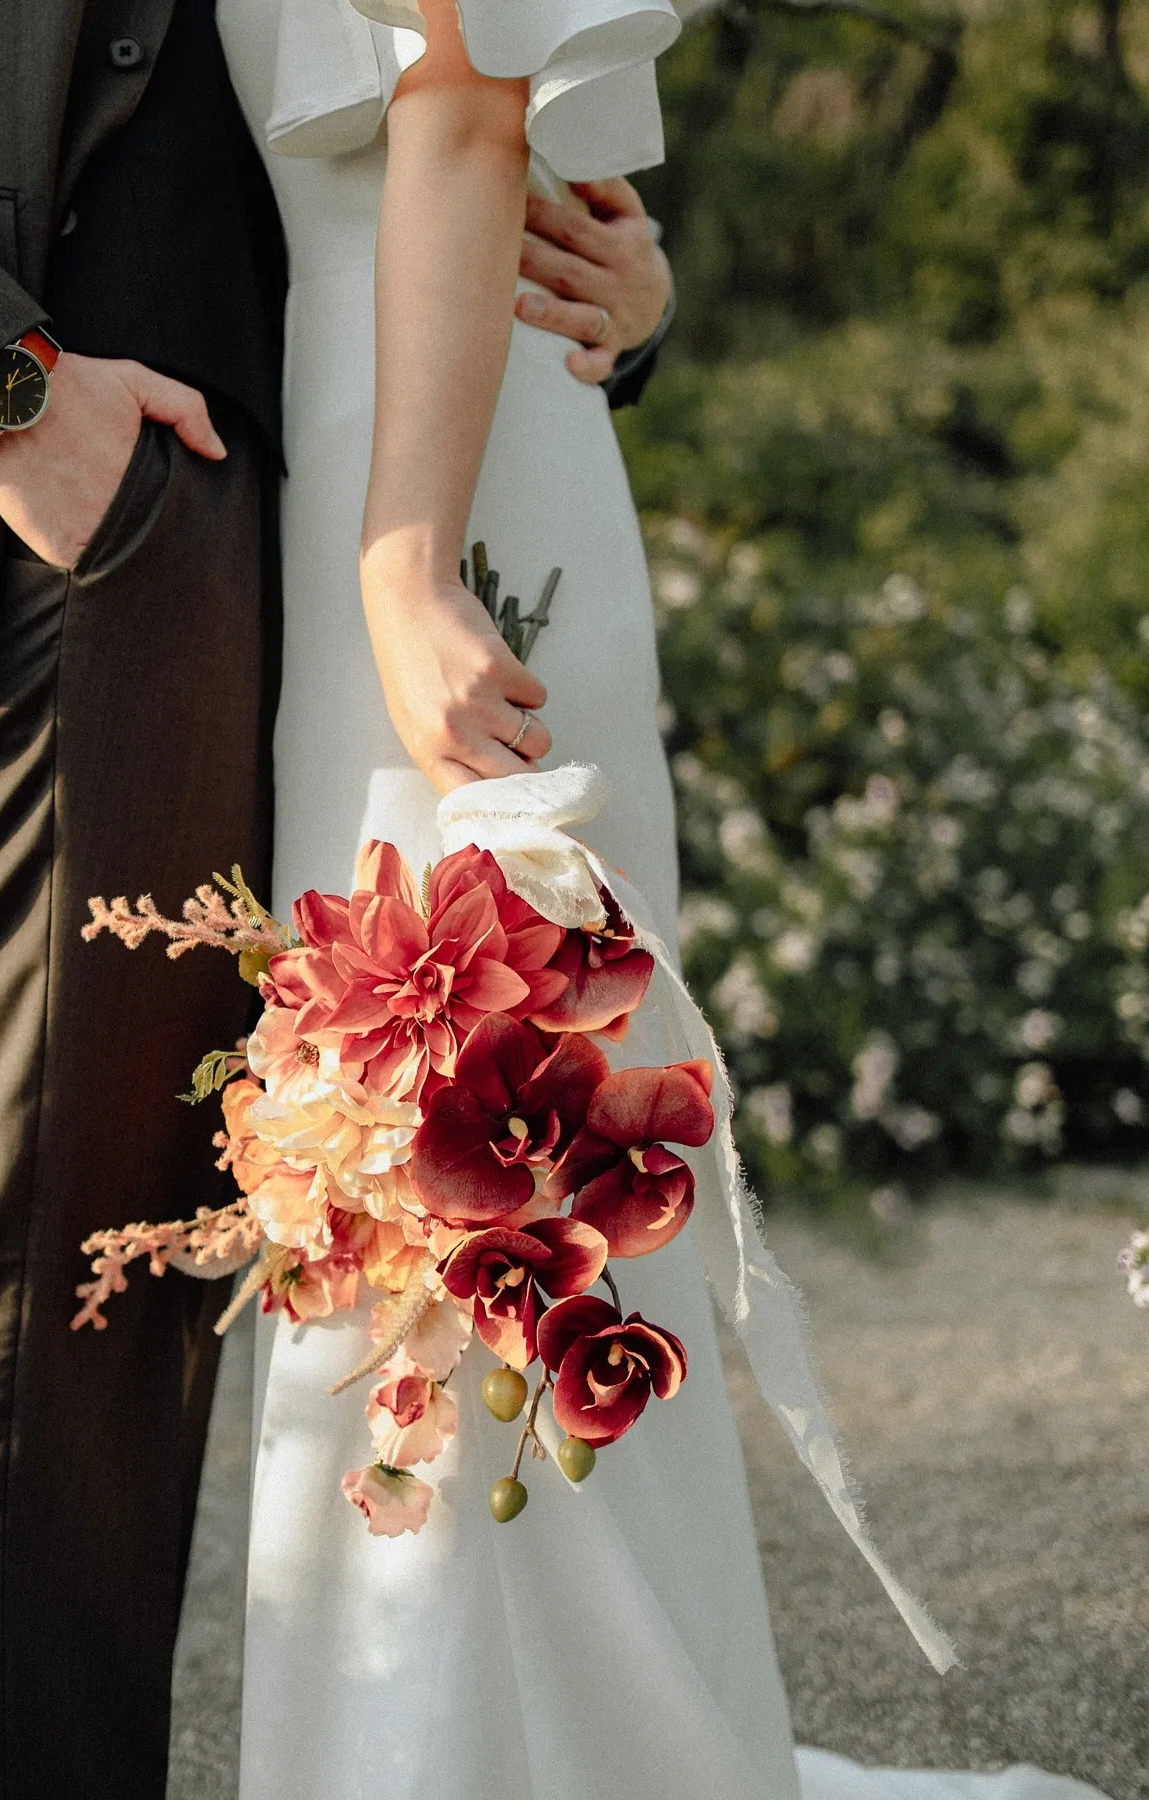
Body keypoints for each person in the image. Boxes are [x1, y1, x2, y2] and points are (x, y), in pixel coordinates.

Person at [0, 3, 673, 1793]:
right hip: (58, 466)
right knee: (63, 1282)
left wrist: (615, 274)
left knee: (329, 1238)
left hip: (287, 492)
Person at [210, 0, 1113, 1795]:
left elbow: (470, 117)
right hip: (386, 413)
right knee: (392, 1155)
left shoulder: (404, 524)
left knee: (463, 1137)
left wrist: (403, 558)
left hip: (424, 480)